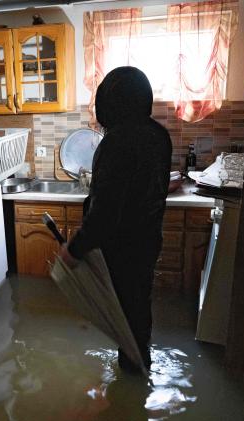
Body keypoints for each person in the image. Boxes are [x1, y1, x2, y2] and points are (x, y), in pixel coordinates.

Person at [59, 66, 172, 372]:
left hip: (121, 249)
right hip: (148, 241)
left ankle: (133, 376)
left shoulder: (117, 142)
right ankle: (139, 371)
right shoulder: (158, 135)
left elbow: (106, 213)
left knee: (122, 315)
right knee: (137, 310)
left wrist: (74, 249)